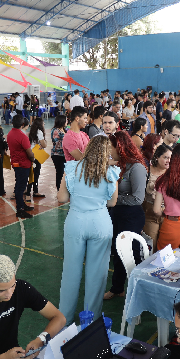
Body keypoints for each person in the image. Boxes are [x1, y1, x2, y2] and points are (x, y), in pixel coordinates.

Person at [57, 136, 119, 318]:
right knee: (97, 273)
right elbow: (112, 202)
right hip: (100, 222)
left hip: (75, 220)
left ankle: (64, 318)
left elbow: (61, 198)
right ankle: (91, 319)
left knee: (70, 271)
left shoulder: (72, 168)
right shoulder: (110, 172)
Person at [103, 131, 148, 300]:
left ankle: (140, 290)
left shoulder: (136, 168)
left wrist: (113, 199)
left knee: (132, 254)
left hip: (131, 216)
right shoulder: (119, 165)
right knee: (117, 251)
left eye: (111, 147)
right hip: (117, 214)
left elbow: (138, 198)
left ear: (120, 147)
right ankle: (117, 288)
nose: (109, 151)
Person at [142, 144, 171, 251]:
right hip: (150, 214)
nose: (169, 161)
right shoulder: (147, 170)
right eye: (165, 157)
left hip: (167, 215)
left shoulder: (172, 173)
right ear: (157, 157)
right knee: (150, 246)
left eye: (170, 158)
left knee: (165, 248)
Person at [7, 114, 35, 218]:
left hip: (15, 162)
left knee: (19, 184)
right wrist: (33, 158)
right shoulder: (22, 136)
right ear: (23, 124)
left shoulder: (10, 134)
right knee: (21, 187)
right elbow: (29, 152)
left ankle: (22, 205)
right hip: (23, 164)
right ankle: (20, 209)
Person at [25, 117, 47, 199]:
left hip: (31, 154)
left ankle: (31, 191)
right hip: (36, 156)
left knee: (32, 173)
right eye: (43, 123)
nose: (44, 124)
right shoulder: (39, 132)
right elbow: (44, 144)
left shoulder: (32, 131)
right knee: (35, 174)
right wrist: (44, 143)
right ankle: (31, 192)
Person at [50, 115, 67, 191]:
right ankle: (59, 190)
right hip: (57, 155)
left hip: (64, 154)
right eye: (66, 120)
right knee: (60, 173)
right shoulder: (56, 131)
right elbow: (57, 143)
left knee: (64, 173)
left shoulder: (64, 129)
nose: (67, 122)